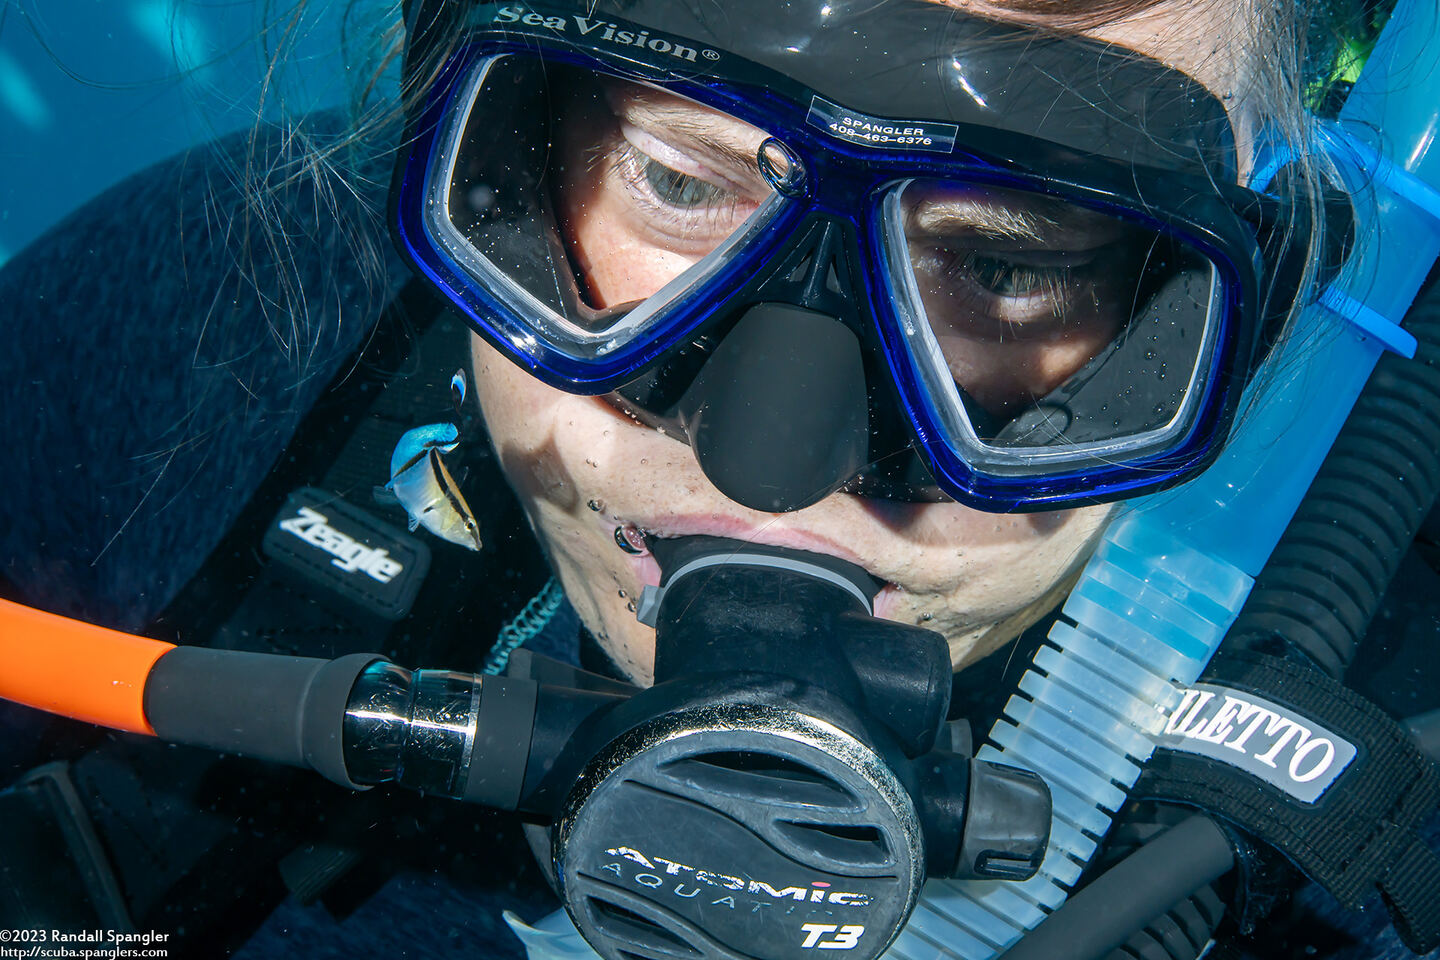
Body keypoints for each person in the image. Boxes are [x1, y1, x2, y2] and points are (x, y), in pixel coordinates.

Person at [1, 0, 1437, 958]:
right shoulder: (233, 311)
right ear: (500, 148)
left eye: (1007, 264)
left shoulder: (1380, 758)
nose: (772, 458)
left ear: (1239, 318)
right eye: (681, 187)